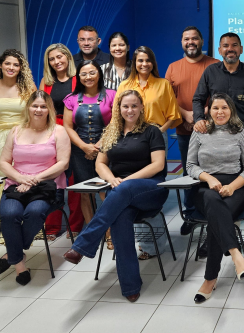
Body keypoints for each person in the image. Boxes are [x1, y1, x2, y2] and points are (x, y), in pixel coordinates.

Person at [63, 90, 169, 302]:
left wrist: (126, 182)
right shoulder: (111, 132)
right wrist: (112, 179)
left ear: (141, 107)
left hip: (151, 188)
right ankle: (130, 286)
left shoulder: (152, 131)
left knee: (122, 190)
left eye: (134, 106)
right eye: (125, 106)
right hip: (121, 191)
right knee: (120, 219)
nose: (130, 110)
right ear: (118, 109)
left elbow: (158, 165)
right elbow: (100, 164)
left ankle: (83, 245)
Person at [0, 91, 70, 286]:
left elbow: (63, 163)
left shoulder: (59, 131)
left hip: (47, 186)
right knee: (9, 214)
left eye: (43, 106)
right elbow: (4, 162)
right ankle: (20, 265)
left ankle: (13, 254)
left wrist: (35, 179)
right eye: (35, 105)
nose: (39, 110)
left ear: (49, 109)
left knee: (34, 213)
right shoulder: (16, 131)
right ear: (28, 107)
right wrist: (20, 178)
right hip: (16, 185)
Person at [187, 93, 244, 303]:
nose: (220, 112)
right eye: (215, 108)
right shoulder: (200, 131)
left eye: (224, 107)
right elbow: (190, 165)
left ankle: (210, 279)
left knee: (216, 217)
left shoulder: (240, 132)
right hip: (205, 187)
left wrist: (232, 187)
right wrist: (208, 178)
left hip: (234, 187)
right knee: (212, 201)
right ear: (209, 111)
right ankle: (236, 254)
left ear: (231, 109)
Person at [117, 46, 180, 259]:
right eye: (140, 60)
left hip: (155, 136)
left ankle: (153, 244)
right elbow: (118, 114)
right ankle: (145, 244)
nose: (144, 64)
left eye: (148, 60)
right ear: (134, 63)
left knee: (150, 187)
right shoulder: (125, 85)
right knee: (134, 187)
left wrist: (157, 132)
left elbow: (173, 114)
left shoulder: (163, 84)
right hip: (130, 140)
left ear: (153, 62)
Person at [165, 26, 218, 236]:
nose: (190, 42)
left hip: (210, 128)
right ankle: (190, 215)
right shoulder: (173, 67)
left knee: (211, 171)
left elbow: (219, 96)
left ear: (201, 41)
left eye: (194, 38)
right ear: (182, 42)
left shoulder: (214, 64)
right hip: (183, 128)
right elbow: (168, 98)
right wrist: (186, 116)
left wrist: (198, 117)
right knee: (189, 173)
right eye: (186, 39)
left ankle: (210, 214)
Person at [0, 50, 36, 245]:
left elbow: (35, 115)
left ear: (21, 68)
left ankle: (24, 228)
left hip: (22, 137)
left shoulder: (29, 88)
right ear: (0, 65)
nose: (11, 67)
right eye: (8, 63)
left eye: (16, 64)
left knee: (21, 180)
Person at [63, 61, 116, 228]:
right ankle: (92, 231)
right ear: (78, 77)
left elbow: (116, 123)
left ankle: (109, 233)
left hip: (107, 148)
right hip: (80, 152)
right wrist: (83, 146)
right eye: (84, 74)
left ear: (99, 74)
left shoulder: (112, 95)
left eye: (92, 73)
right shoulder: (71, 99)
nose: (88, 77)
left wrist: (100, 145)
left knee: (106, 190)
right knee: (85, 192)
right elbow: (68, 127)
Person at [39, 43, 82, 240]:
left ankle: (75, 225)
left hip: (75, 131)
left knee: (75, 181)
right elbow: (40, 108)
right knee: (53, 179)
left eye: (59, 57)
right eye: (52, 59)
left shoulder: (78, 79)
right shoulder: (46, 82)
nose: (56, 61)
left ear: (68, 57)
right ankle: (52, 226)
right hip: (52, 132)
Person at [192, 33, 244, 142]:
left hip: (242, 134)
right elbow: (198, 99)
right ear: (219, 50)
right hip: (213, 134)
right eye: (225, 46)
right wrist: (199, 119)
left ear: (241, 49)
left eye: (234, 45)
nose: (230, 49)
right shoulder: (210, 71)